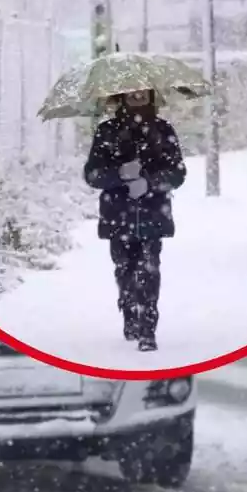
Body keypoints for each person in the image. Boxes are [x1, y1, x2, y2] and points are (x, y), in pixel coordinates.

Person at [83, 89, 187, 352]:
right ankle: (129, 310)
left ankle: (148, 327)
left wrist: (149, 182)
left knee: (149, 269)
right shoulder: (107, 131)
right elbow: (93, 175)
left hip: (153, 213)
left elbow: (177, 173)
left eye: (144, 94)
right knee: (125, 269)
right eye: (133, 95)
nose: (139, 99)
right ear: (122, 98)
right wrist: (119, 174)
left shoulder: (163, 130)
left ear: (152, 97)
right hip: (118, 214)